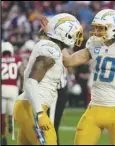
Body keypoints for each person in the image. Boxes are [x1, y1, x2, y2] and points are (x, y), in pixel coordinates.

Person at [58, 9, 115, 145]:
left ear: (114, 28)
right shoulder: (94, 43)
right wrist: (57, 40)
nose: (96, 31)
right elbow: (69, 61)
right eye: (95, 27)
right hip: (94, 109)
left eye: (101, 28)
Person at [13, 13, 83, 145]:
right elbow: (31, 81)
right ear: (64, 34)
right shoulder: (51, 50)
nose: (77, 36)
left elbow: (67, 60)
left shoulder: (51, 47)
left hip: (28, 106)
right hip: (32, 109)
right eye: (74, 33)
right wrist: (39, 113)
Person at [1, 42, 24, 145]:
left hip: (2, 87)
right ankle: (11, 119)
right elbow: (21, 72)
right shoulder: (17, 59)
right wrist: (23, 85)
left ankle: (3, 135)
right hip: (13, 88)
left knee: (2, 114)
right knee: (11, 110)